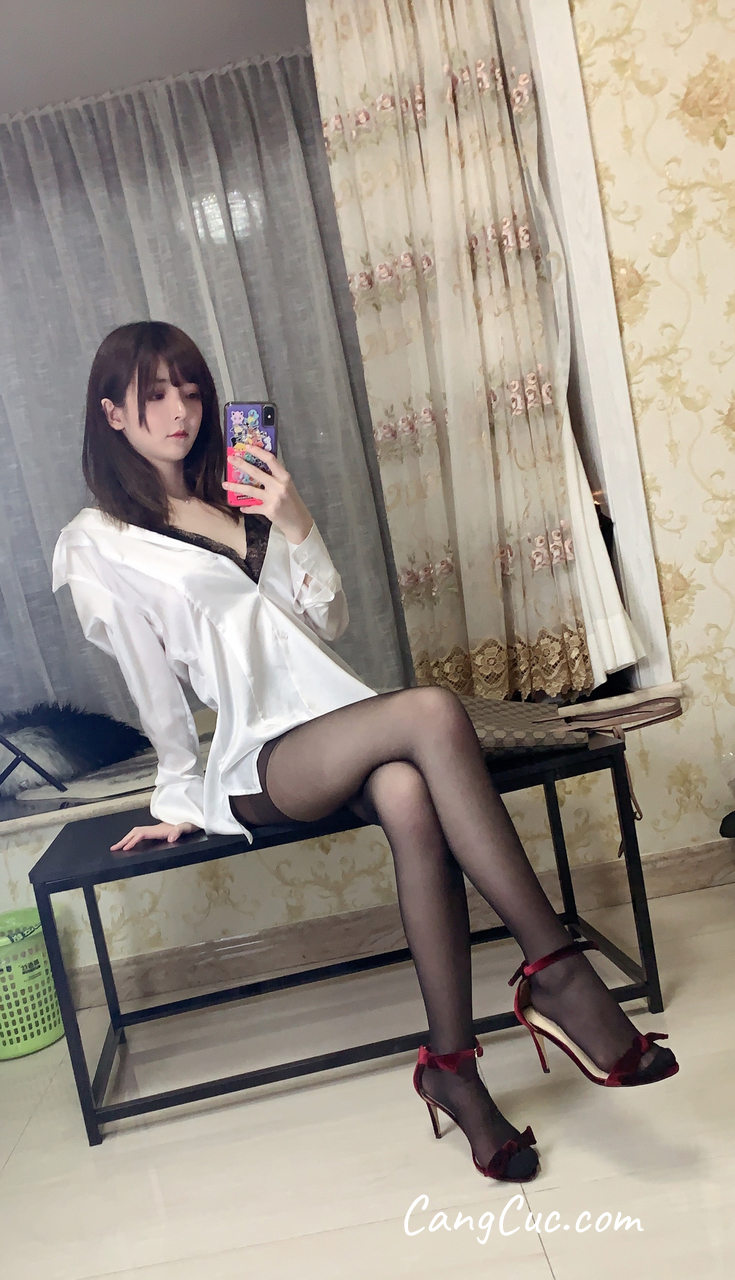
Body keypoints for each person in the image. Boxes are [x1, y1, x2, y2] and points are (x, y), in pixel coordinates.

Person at [53, 321, 678, 1185]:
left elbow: (327, 622)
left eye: (191, 390)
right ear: (111, 412)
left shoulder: (240, 494)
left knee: (408, 795)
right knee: (429, 712)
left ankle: (452, 1071)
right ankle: (556, 969)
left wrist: (295, 519)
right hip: (258, 759)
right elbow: (150, 682)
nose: (181, 410)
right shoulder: (102, 539)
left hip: (337, 723)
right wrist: (176, 796)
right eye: (154, 394)